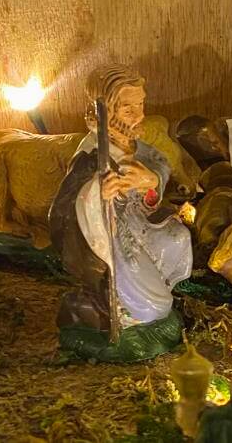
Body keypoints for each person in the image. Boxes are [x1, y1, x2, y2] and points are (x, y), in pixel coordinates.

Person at [49, 64, 192, 360]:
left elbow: (160, 168)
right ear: (107, 110)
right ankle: (128, 315)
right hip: (110, 237)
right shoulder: (92, 153)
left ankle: (148, 298)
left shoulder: (137, 147)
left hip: (141, 224)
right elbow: (65, 205)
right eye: (128, 109)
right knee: (155, 305)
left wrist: (150, 181)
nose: (139, 115)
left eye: (141, 105)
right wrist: (96, 195)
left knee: (177, 238)